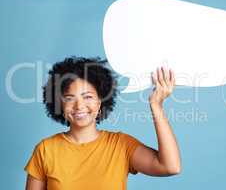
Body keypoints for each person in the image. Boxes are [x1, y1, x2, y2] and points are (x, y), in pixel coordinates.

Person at [24, 56, 181, 190]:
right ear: (60, 104)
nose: (79, 106)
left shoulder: (121, 145)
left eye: (88, 97)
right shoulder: (45, 150)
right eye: (69, 98)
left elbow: (170, 166)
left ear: (100, 102)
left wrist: (156, 104)